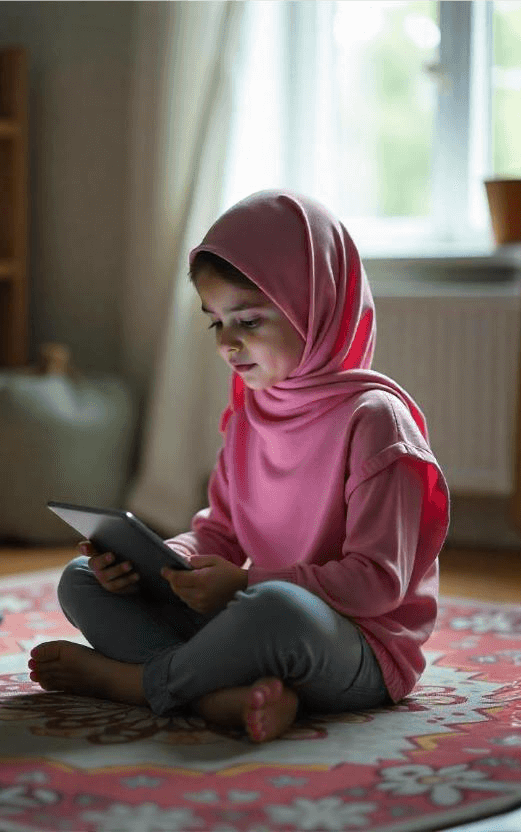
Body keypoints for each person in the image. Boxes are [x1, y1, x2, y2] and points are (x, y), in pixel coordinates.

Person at [29, 190, 450, 743]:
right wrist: (161, 563)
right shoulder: (253, 410)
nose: (228, 343)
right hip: (254, 622)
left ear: (315, 307)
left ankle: (137, 683)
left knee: (276, 607)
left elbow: (377, 584)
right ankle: (217, 696)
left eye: (248, 320)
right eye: (216, 323)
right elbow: (220, 534)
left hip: (356, 649)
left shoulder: (376, 421)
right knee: (82, 581)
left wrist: (247, 584)